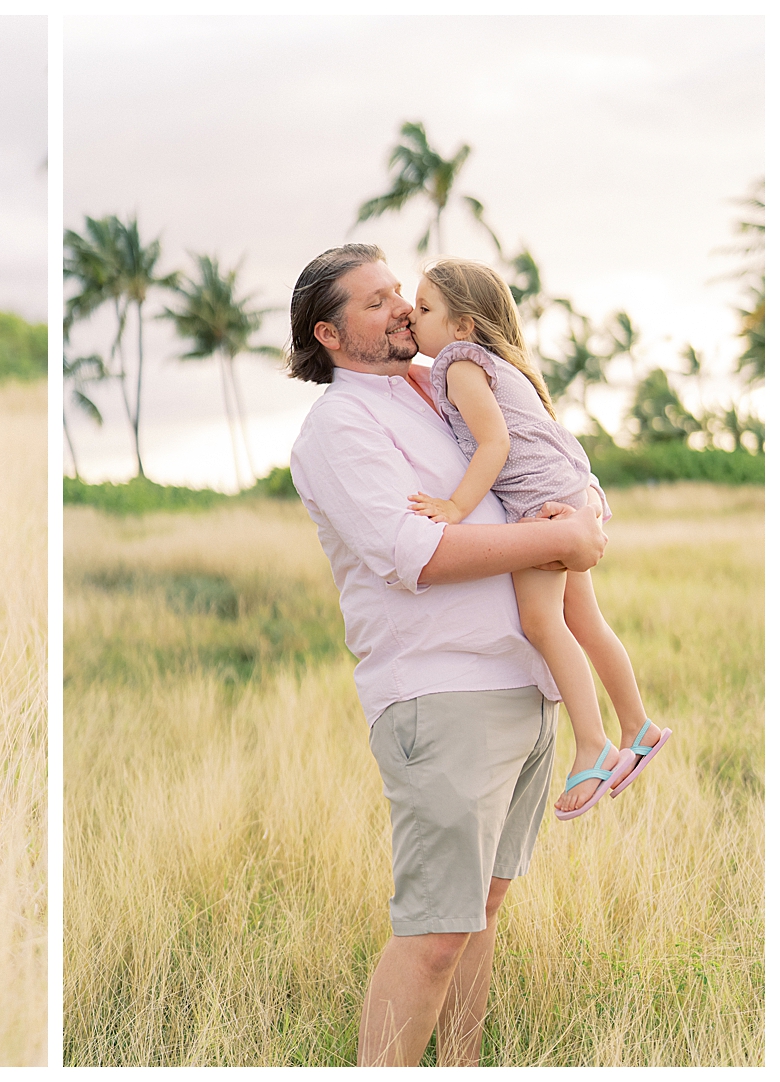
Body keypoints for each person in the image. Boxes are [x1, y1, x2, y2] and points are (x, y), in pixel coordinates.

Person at [285, 244, 608, 1066]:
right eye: (374, 301)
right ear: (328, 333)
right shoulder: (340, 424)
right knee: (434, 935)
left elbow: (532, 459)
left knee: (482, 911)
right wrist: (561, 537)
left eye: (400, 292)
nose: (399, 307)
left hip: (523, 684)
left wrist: (579, 515)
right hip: (443, 692)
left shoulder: (443, 388)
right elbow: (412, 553)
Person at [406, 257, 671, 819]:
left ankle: (594, 744)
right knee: (586, 623)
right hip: (567, 493)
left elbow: (494, 445)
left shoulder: (459, 364)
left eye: (424, 307)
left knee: (543, 623)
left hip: (539, 508)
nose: (411, 313)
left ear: (462, 327)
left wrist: (455, 506)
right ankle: (638, 725)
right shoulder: (502, 366)